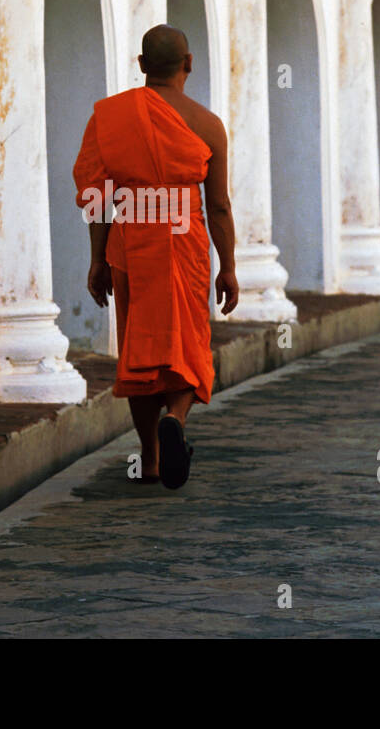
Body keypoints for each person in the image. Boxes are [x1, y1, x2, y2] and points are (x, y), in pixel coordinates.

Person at [72, 24, 239, 490]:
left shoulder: (112, 116)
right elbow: (219, 205)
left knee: (139, 347)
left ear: (142, 65)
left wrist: (98, 259)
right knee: (185, 339)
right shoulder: (207, 124)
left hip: (131, 242)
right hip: (184, 241)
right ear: (188, 64)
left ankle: (149, 457)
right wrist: (228, 267)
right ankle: (178, 421)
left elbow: (98, 195)